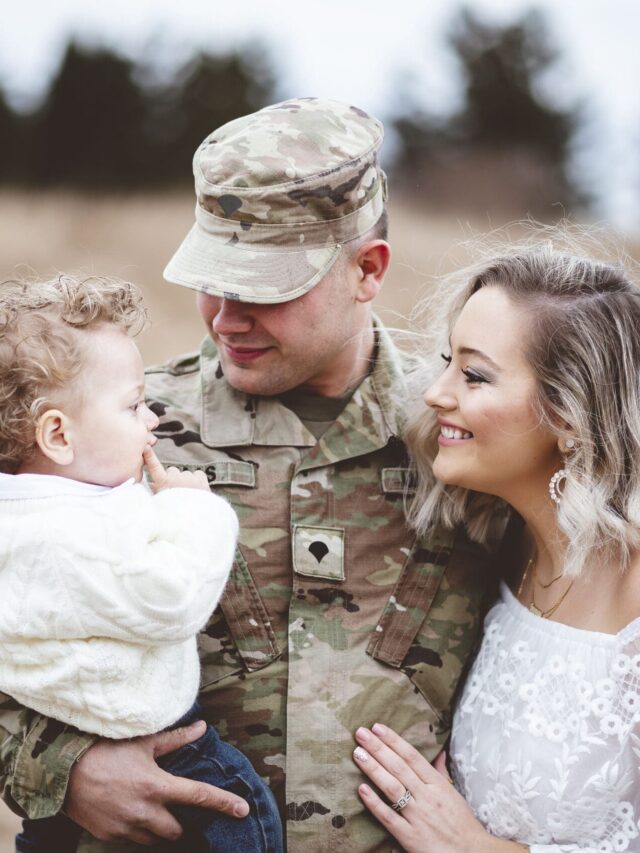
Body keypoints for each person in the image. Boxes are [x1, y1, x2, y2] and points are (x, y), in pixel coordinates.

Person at [0, 98, 498, 852]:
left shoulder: (461, 436)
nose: (225, 318)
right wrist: (61, 767)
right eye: (213, 279)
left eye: (265, 288)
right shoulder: (103, 432)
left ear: (368, 269)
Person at [352, 237, 640, 852]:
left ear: (569, 415)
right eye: (447, 360)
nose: (436, 393)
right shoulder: (498, 546)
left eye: (475, 375)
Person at [0, 275, 282, 853]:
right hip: (153, 737)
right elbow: (170, 598)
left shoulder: (32, 511)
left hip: (61, 742)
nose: (152, 419)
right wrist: (193, 508)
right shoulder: (65, 537)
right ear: (57, 435)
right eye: (133, 406)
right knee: (244, 810)